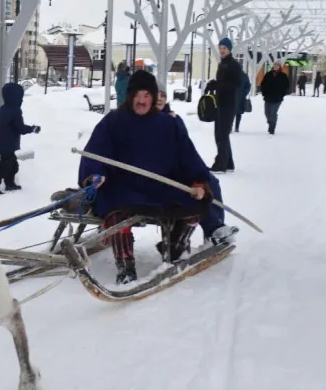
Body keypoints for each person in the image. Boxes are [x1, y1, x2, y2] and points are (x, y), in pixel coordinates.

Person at [78, 69, 238, 284]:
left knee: (195, 200)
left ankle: (174, 248)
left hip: (159, 186)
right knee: (115, 208)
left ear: (153, 97)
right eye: (137, 95)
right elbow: (95, 153)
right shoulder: (113, 121)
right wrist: (95, 175)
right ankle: (125, 268)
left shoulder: (167, 124)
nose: (141, 101)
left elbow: (187, 156)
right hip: (123, 187)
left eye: (146, 95)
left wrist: (199, 181)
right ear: (129, 96)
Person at [0, 82, 40, 195]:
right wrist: (32, 129)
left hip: (2, 142)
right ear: (16, 97)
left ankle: (9, 184)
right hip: (8, 143)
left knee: (12, 165)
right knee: (5, 166)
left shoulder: (2, 109)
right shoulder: (15, 111)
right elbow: (20, 128)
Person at [211, 37, 244, 173]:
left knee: (221, 134)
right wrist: (213, 85)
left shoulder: (234, 65)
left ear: (229, 49)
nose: (222, 50)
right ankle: (229, 163)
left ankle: (221, 164)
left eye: (224, 48)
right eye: (220, 48)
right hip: (220, 102)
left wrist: (218, 85)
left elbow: (237, 84)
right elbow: (223, 82)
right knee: (221, 133)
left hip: (228, 103)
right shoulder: (222, 63)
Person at [258, 60, 292, 135]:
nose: (275, 66)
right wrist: (264, 93)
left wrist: (282, 94)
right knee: (267, 113)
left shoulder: (283, 76)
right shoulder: (268, 74)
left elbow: (287, 86)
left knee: (273, 113)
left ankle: (272, 127)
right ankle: (271, 123)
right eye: (275, 65)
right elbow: (263, 84)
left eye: (277, 65)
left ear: (280, 66)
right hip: (268, 97)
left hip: (277, 98)